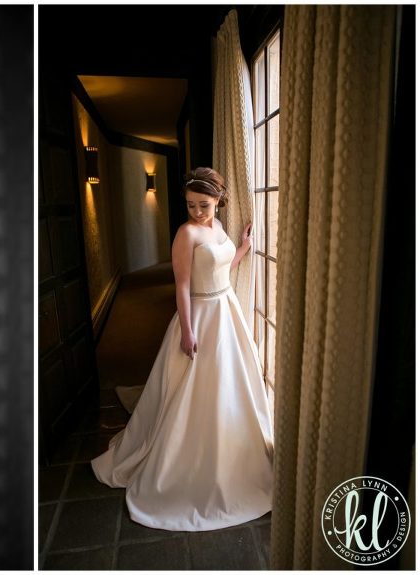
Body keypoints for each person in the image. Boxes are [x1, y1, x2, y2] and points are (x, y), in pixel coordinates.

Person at [92, 167, 274, 531]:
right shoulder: (185, 233)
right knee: (190, 391)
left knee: (230, 384)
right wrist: (187, 331)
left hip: (226, 311)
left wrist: (241, 249)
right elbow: (183, 287)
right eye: (190, 205)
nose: (196, 211)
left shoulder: (217, 227)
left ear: (219, 201)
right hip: (200, 316)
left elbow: (222, 267)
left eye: (203, 205)